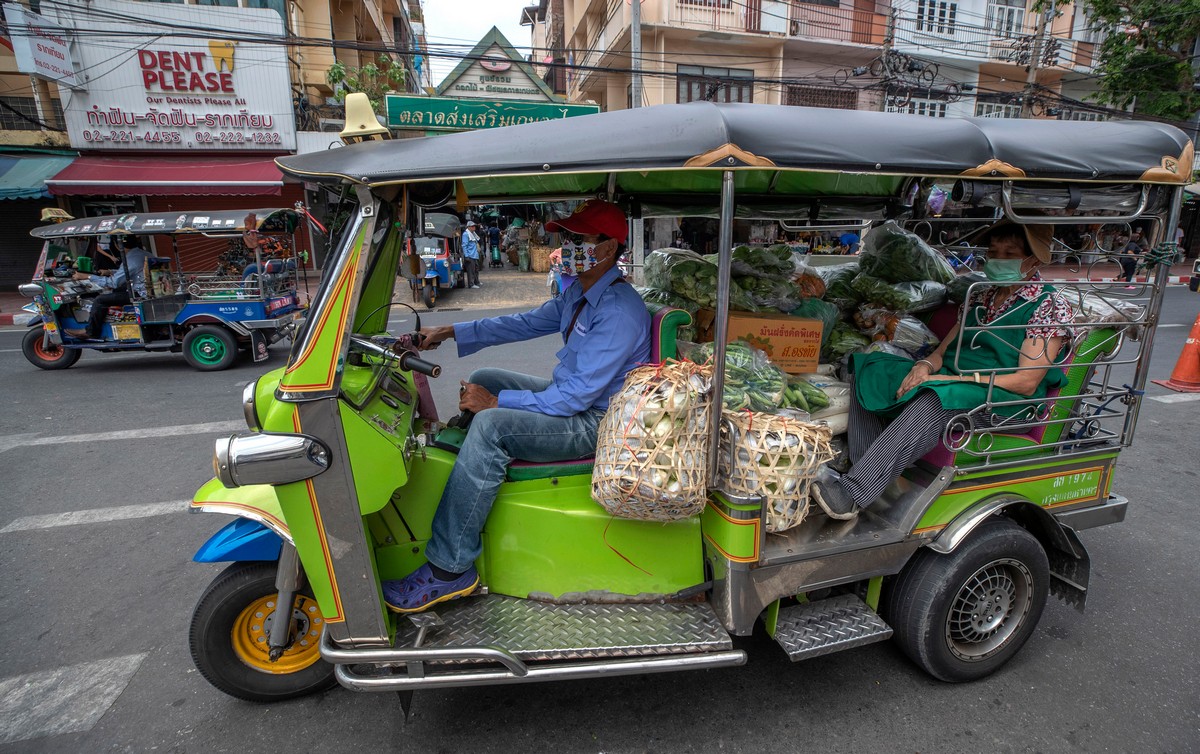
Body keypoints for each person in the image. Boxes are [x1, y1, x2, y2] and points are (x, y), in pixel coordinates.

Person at [381, 200, 651, 612]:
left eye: (580, 239)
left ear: (608, 249)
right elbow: (523, 322)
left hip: (599, 422)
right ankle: (472, 479)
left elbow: (575, 397)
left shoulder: (618, 311)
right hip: (578, 400)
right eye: (568, 237)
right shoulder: (581, 291)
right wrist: (449, 330)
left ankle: (450, 568)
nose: (567, 246)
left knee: (491, 425)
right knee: (488, 375)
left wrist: (494, 404)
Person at [811, 220, 1074, 520]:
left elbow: (1026, 381)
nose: (998, 260)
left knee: (935, 398)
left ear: (1034, 259)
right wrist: (924, 367)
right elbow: (942, 352)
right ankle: (867, 468)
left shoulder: (1048, 303)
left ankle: (853, 493)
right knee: (870, 366)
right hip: (956, 381)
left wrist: (951, 378)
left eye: (1009, 254)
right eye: (994, 252)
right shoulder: (980, 295)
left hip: (1005, 399)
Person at [64, 236, 151, 340]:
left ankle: (91, 331)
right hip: (146, 290)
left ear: (117, 245)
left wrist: (87, 276)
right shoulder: (143, 254)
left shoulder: (130, 260)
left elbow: (113, 283)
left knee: (100, 300)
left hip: (140, 294)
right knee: (115, 291)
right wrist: (110, 272)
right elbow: (128, 273)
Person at [461, 220, 481, 288]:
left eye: (474, 226)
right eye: (472, 226)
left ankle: (476, 282)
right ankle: (471, 284)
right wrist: (466, 256)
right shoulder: (466, 234)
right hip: (470, 255)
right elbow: (464, 245)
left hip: (475, 255)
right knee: (471, 271)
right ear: (469, 227)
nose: (474, 227)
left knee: (476, 269)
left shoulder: (473, 233)